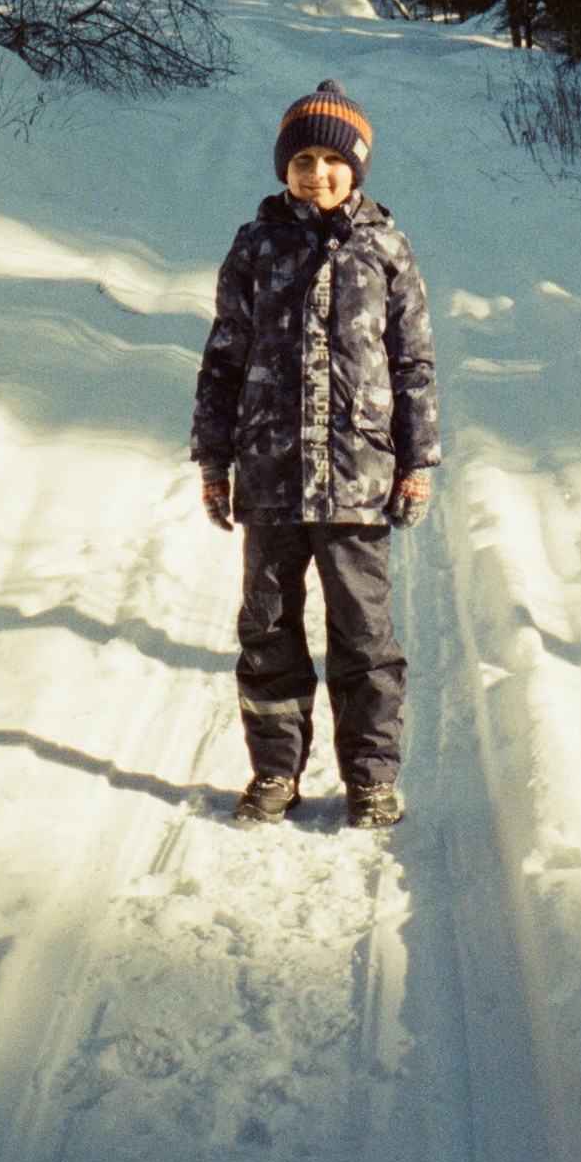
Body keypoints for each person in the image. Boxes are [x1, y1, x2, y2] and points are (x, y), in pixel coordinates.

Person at [192, 76, 440, 829]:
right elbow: (224, 357)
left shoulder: (385, 247)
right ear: (283, 168)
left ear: (356, 168)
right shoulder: (256, 246)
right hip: (268, 476)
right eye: (301, 160)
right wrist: (213, 460)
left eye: (332, 161)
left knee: (363, 635)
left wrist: (417, 459)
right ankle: (274, 772)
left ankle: (370, 778)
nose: (317, 174)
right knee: (266, 629)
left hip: (357, 480)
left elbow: (413, 362)